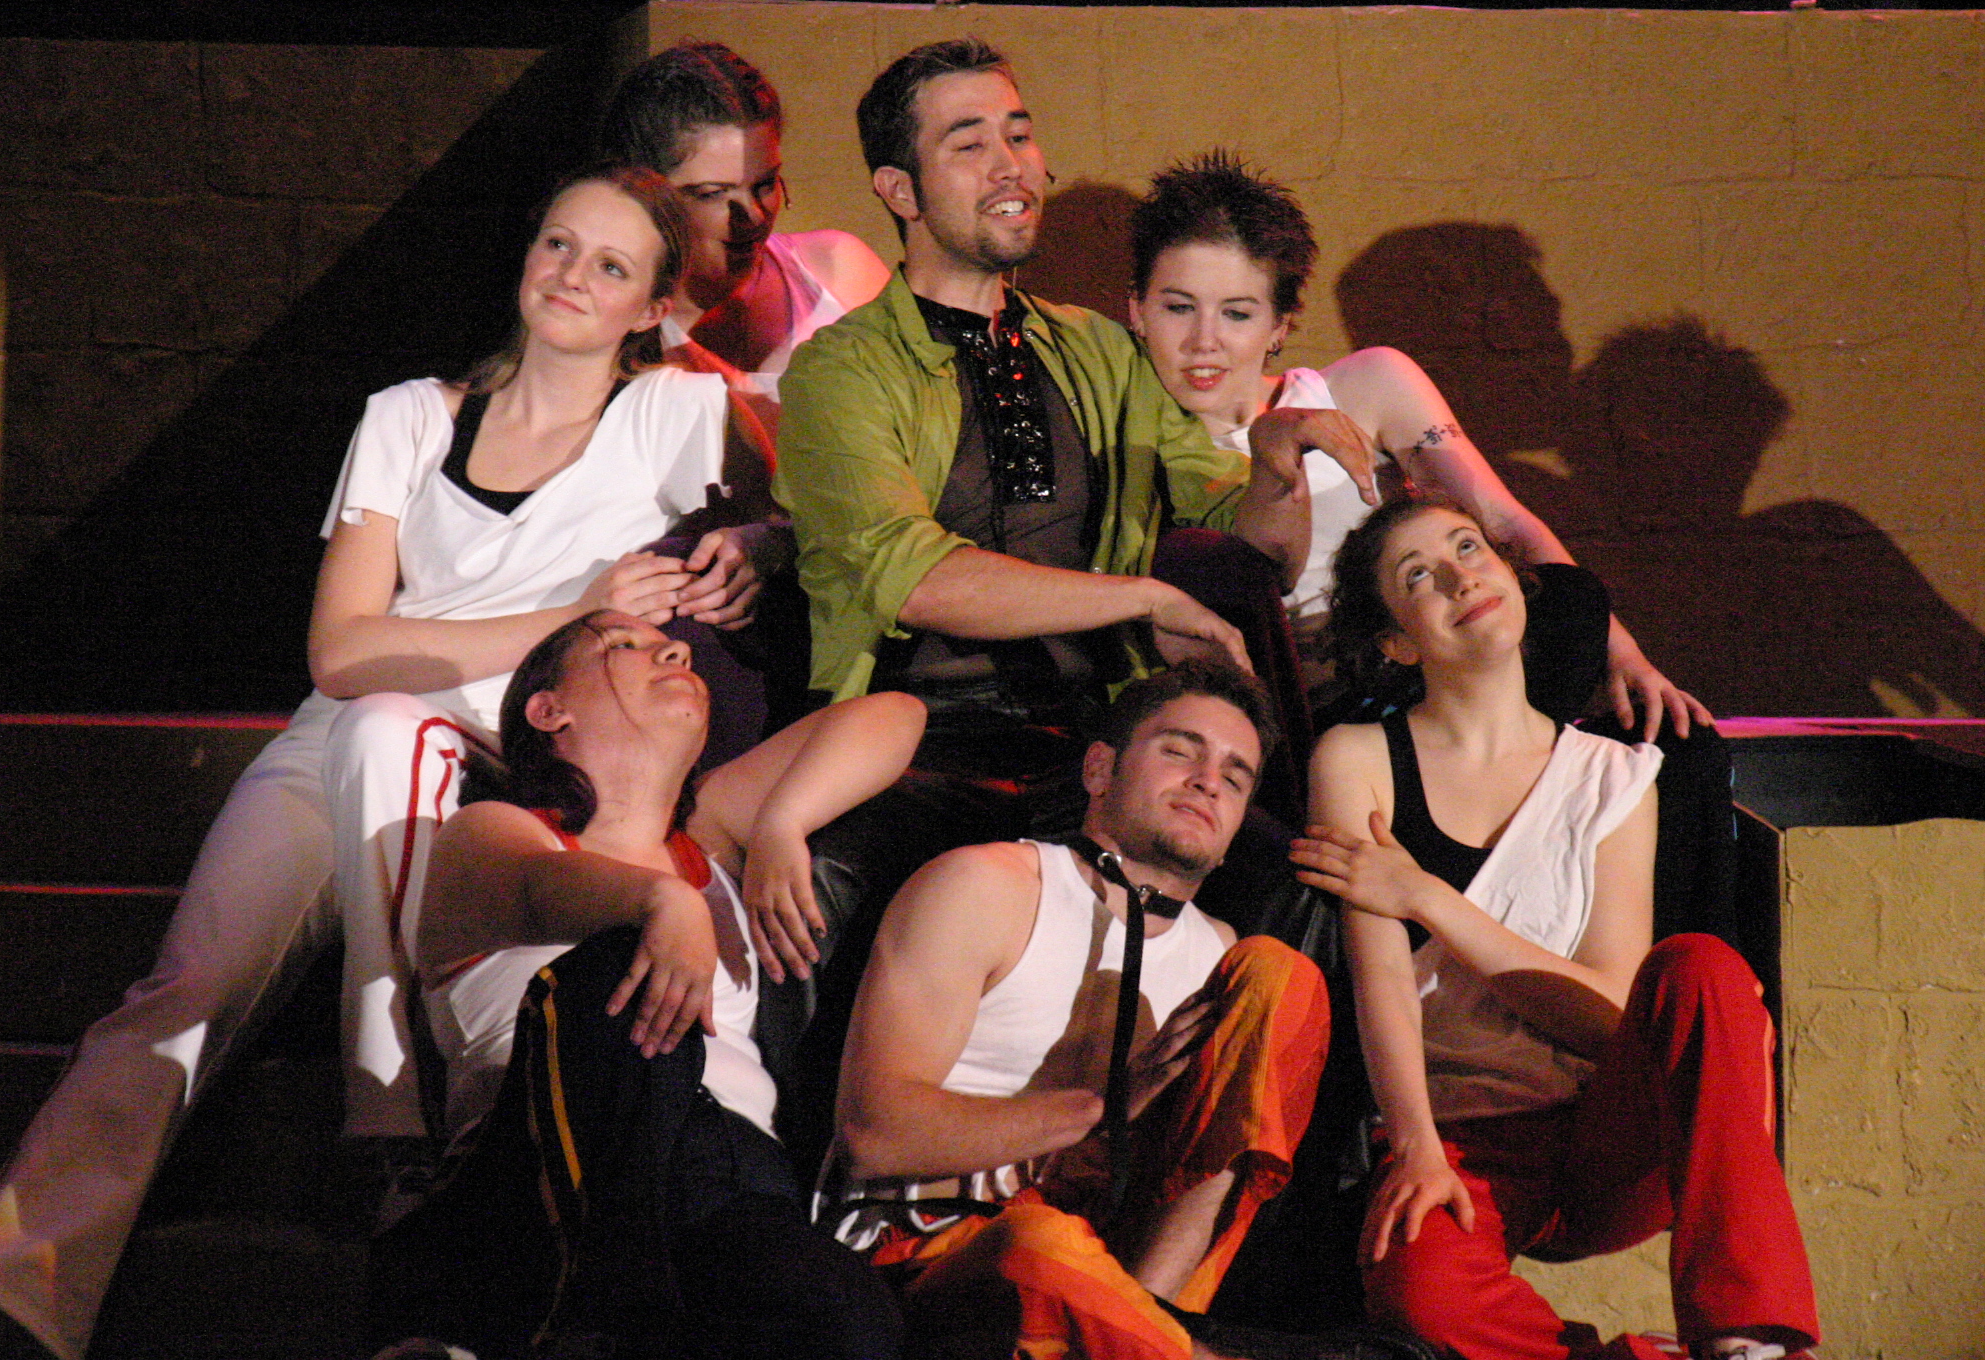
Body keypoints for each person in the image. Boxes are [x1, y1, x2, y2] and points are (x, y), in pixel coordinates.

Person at [0, 162, 773, 1360]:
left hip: (511, 763)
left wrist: (758, 543)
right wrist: (573, 607)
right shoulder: (410, 415)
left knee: (395, 727)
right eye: (555, 243)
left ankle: (391, 1109)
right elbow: (339, 650)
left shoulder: (673, 411)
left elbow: (803, 511)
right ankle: (7, 1288)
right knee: (184, 987)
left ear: (650, 304)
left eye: (608, 264)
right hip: (347, 737)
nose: (569, 276)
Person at [1289, 496, 1818, 1360]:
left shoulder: (1613, 775)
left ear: (1514, 577)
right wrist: (1416, 1149)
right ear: (1397, 641)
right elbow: (1380, 982)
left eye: (1470, 548)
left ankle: (1747, 1333)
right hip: (1461, 1136)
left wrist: (1429, 898)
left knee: (1703, 969)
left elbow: (1608, 1019)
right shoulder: (1356, 758)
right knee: (1421, 1296)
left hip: (1608, 1132)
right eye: (1419, 576)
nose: (1460, 577)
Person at [371, 609, 919, 1357]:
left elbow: (896, 714)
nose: (675, 651)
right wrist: (663, 900)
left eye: (672, 645)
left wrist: (784, 820)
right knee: (616, 968)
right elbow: (536, 887)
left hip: (730, 1177)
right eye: (625, 645)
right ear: (548, 711)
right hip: (543, 1170)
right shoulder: (492, 830)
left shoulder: (710, 837)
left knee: (849, 1318)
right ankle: (582, 1321)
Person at [774, 40, 1330, 763]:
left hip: (1096, 739)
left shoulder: (1098, 351)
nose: (1010, 165)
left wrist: (1278, 465)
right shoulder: (842, 369)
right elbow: (913, 578)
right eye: (970, 144)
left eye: (1020, 135)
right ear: (901, 191)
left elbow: (1252, 552)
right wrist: (1143, 597)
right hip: (915, 742)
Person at [830, 660, 1334, 1360]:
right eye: (1180, 750)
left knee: (1285, 974)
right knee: (1043, 1246)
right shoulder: (990, 886)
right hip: (939, 1251)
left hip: (1120, 1264)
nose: (1207, 781)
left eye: (1235, 775)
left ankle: (1153, 1322)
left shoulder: (1224, 960)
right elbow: (873, 1134)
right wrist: (1098, 1108)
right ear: (1099, 769)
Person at [1128, 151, 1707, 742]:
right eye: (1179, 307)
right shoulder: (1119, 439)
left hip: (1419, 675)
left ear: (1279, 325)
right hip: (1275, 718)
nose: (1204, 341)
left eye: (1237, 314)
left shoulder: (1365, 385)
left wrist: (1623, 655)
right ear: (1137, 310)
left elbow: (1500, 518)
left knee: (1578, 612)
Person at [601, 39, 890, 413]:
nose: (752, 215)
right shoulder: (614, 327)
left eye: (765, 184)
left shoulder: (836, 268)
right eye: (713, 193)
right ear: (646, 191)